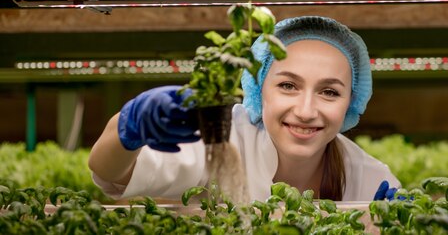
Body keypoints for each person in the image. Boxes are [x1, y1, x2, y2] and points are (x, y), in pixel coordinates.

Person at [88, 16, 400, 202]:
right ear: (258, 88)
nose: (306, 111)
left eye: (329, 92)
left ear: (351, 103)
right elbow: (110, 173)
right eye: (288, 86)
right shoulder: (225, 139)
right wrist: (126, 127)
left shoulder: (371, 179)